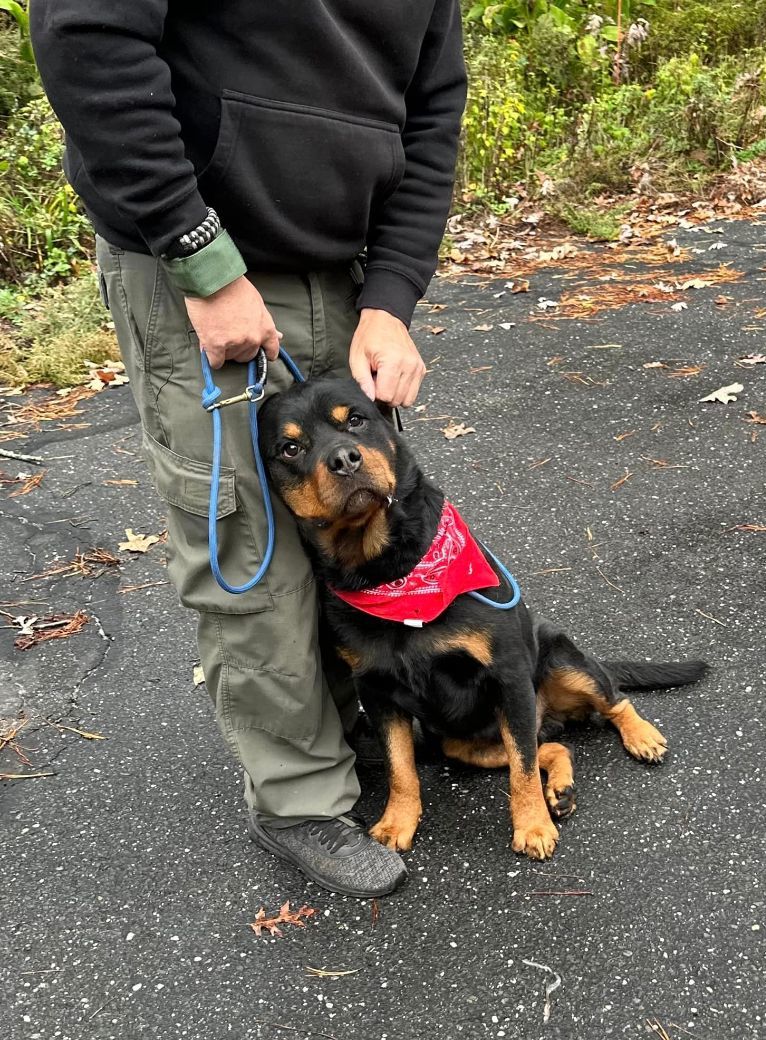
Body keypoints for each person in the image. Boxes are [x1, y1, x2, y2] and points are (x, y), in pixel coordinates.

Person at [30, 2, 467, 898]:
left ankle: (361, 727)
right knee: (249, 544)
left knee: (363, 524)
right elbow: (89, 38)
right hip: (197, 273)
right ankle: (300, 798)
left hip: (346, 271)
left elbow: (432, 113)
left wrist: (391, 295)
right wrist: (199, 256)